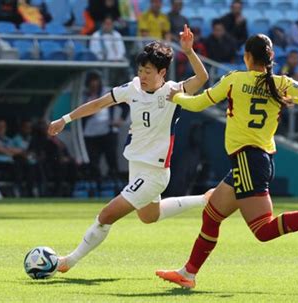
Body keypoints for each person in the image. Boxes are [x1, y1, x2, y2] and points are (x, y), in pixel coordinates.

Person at [155, 34, 298, 289]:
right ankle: (188, 273)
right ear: (270, 58)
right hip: (253, 161)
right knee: (212, 214)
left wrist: (177, 96)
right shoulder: (281, 83)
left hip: (249, 161)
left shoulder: (234, 80)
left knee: (263, 230)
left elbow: (197, 104)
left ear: (246, 56)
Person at [47, 25, 211, 273]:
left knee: (106, 216)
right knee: (149, 216)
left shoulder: (173, 92)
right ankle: (204, 199)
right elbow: (98, 104)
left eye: (148, 71)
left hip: (154, 173)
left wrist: (188, 52)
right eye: (140, 70)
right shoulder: (132, 88)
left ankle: (68, 261)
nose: (142, 75)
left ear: (162, 72)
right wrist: (65, 119)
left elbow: (202, 79)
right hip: (136, 167)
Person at [81, 71, 128, 183]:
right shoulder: (84, 96)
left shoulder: (107, 93)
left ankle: (115, 182)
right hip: (90, 133)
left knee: (111, 159)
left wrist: (120, 120)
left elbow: (124, 105)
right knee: (93, 161)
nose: (94, 86)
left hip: (107, 131)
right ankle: (96, 183)